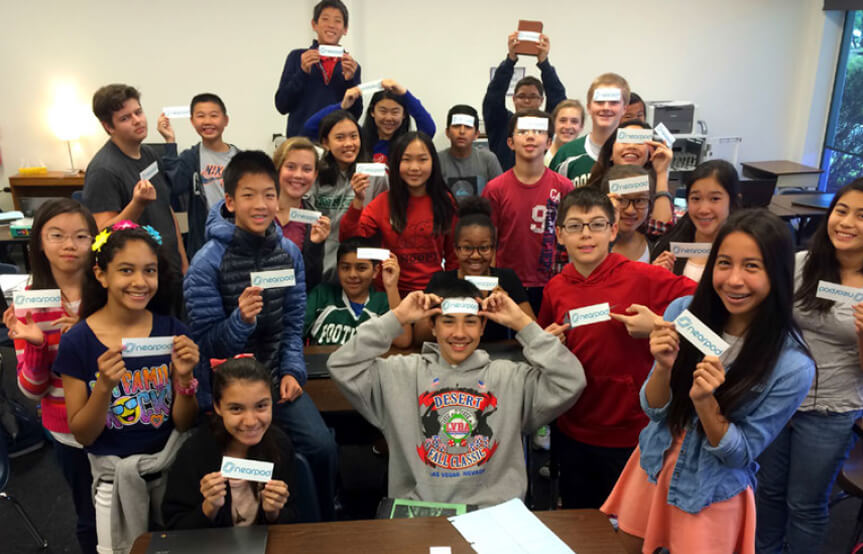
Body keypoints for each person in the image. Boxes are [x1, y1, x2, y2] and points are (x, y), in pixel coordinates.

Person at [601, 209, 815, 554]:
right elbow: (653, 411)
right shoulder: (683, 313)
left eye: (752, 266)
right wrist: (663, 368)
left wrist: (706, 402)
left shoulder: (792, 366)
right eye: (724, 263)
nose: (733, 280)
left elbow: (740, 453)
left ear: (778, 274)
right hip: (654, 465)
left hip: (710, 490)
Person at [326, 282, 586, 506]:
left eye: (470, 322)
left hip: (495, 515)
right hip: (419, 514)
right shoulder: (400, 374)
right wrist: (397, 317)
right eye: (448, 321)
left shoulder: (510, 377)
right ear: (433, 326)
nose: (459, 333)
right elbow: (342, 365)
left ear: (483, 326)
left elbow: (571, 380)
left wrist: (522, 324)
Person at [183, 150, 338, 520]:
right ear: (231, 201)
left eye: (269, 195)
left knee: (321, 447)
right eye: (249, 195)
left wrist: (291, 372)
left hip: (275, 379)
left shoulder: (289, 253)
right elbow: (204, 345)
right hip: (228, 393)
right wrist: (241, 321)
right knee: (244, 462)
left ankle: (324, 520)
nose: (261, 205)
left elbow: (293, 321)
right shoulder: (205, 265)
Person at [538, 187, 696, 509]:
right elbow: (545, 342)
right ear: (560, 234)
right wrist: (548, 345)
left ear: (612, 230)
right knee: (579, 516)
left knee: (627, 521)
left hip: (632, 432)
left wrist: (659, 325)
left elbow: (709, 309)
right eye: (575, 226)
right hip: (574, 429)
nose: (586, 235)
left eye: (596, 225)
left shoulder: (643, 277)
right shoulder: (555, 288)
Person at [57, 223, 200, 554]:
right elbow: (83, 435)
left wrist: (184, 379)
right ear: (101, 274)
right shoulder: (78, 342)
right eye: (126, 270)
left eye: (149, 271)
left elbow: (183, 423)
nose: (140, 282)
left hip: (170, 470)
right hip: (112, 482)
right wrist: (104, 387)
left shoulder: (172, 332)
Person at [755, 180, 863, 553]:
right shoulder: (800, 264)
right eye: (842, 210)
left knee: (805, 503)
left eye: (862, 216)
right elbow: (768, 323)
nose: (847, 222)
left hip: (831, 409)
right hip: (779, 398)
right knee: (766, 490)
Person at [3, 199, 98, 553]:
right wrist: (39, 346)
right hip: (66, 427)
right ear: (39, 242)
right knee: (87, 511)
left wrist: (88, 334)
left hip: (116, 416)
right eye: (56, 235)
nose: (70, 245)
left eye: (81, 236)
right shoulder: (29, 300)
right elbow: (32, 389)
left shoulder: (107, 292)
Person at [162, 357, 297, 529]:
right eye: (236, 409)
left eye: (261, 406)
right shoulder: (195, 451)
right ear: (218, 407)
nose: (250, 421)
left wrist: (274, 513)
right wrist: (208, 508)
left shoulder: (280, 446)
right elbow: (174, 528)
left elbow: (296, 518)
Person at [82, 84, 188, 274]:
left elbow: (166, 208)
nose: (137, 121)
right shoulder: (103, 170)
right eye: (125, 118)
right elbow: (103, 234)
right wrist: (137, 204)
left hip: (170, 266)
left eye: (138, 112)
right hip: (139, 276)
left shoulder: (150, 154)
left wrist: (182, 259)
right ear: (108, 126)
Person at [339, 132, 458, 294]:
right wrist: (358, 201)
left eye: (422, 159)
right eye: (406, 159)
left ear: (433, 163)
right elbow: (349, 242)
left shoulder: (445, 201)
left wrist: (449, 292)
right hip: (389, 292)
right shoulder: (382, 203)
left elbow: (453, 255)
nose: (414, 167)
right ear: (396, 164)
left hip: (434, 293)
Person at [482, 110, 573, 313]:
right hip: (506, 284)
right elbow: (490, 242)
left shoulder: (564, 187)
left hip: (552, 281)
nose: (530, 136)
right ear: (510, 142)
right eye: (522, 131)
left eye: (538, 131)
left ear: (549, 142)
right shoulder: (495, 189)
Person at [415, 197, 534, 343]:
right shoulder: (441, 281)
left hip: (499, 359)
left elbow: (534, 333)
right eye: (467, 248)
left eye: (484, 248)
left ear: (493, 249)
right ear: (456, 250)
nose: (476, 256)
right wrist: (442, 308)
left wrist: (510, 310)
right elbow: (419, 338)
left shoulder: (507, 279)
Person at [307, 110, 388, 279]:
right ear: (325, 143)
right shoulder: (315, 175)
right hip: (322, 260)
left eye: (353, 136)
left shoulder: (376, 175)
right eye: (340, 138)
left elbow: (384, 225)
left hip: (361, 263)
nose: (349, 143)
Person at [160, 93, 239, 259]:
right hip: (204, 243)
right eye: (201, 116)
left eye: (214, 115)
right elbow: (174, 185)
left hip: (236, 238)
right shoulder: (191, 157)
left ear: (226, 120)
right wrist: (169, 141)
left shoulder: (240, 158)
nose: (207, 121)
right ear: (192, 121)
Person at [275, 0, 362, 137]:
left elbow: (355, 114)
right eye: (325, 19)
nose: (331, 25)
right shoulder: (297, 57)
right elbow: (282, 105)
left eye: (338, 21)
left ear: (345, 29)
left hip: (336, 142)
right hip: (302, 141)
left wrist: (349, 81)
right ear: (314, 25)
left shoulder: (351, 66)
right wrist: (302, 73)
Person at [304, 237, 411, 347]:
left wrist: (391, 286)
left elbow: (403, 341)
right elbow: (294, 332)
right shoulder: (322, 295)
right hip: (321, 363)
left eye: (361, 268)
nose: (352, 275)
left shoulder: (384, 301)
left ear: (375, 271)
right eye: (345, 268)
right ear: (338, 269)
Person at [483, 31, 566, 171]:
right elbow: (493, 96)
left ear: (541, 100)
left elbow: (558, 99)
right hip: (505, 185)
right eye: (521, 96)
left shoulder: (546, 123)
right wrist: (510, 60)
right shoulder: (501, 123)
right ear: (514, 99)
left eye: (533, 97)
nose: (527, 101)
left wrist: (544, 63)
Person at [304, 79, 436, 165]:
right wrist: (342, 106)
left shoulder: (407, 143)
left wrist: (405, 94)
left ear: (404, 116)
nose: (389, 118)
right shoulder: (358, 139)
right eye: (383, 111)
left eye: (395, 112)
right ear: (372, 112)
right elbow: (310, 129)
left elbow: (429, 129)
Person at [652, 160, 742, 281]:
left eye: (715, 199)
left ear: (733, 201)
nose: (703, 209)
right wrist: (655, 276)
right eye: (695, 198)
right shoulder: (671, 244)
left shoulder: (744, 250)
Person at [588, 120, 675, 237]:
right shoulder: (590, 193)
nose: (631, 146)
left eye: (639, 141)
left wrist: (661, 172)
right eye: (624, 140)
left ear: (650, 154)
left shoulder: (655, 188)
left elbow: (661, 229)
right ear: (611, 154)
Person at [272, 137, 331, 292]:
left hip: (293, 307)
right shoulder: (257, 210)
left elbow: (312, 281)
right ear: (278, 168)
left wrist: (316, 246)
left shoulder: (314, 220)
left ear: (315, 175)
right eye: (290, 167)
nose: (298, 175)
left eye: (307, 169)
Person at [551, 73, 630, 187]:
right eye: (599, 102)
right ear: (588, 107)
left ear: (624, 109)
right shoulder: (566, 155)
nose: (606, 107)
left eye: (613, 102)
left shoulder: (635, 154)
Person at [438, 104, 502, 199]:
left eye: (468, 127)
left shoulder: (488, 159)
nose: (462, 131)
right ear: (447, 132)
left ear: (476, 134)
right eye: (456, 126)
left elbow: (500, 195)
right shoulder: (437, 160)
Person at [599, 165, 657, 263]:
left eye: (639, 200)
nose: (631, 211)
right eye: (621, 200)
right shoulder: (591, 246)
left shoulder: (655, 247)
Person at [546, 99, 585, 165]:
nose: (568, 126)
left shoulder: (585, 156)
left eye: (574, 121)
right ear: (554, 123)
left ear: (581, 126)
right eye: (563, 120)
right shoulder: (541, 153)